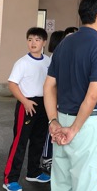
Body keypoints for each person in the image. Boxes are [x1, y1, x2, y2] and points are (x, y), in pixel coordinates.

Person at [43, 0, 97, 191]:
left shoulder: (65, 43)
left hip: (62, 119)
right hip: (86, 124)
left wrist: (53, 121)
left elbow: (49, 86)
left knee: (60, 188)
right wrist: (74, 129)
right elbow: (93, 95)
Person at [3, 27, 51, 191]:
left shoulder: (48, 61)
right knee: (20, 142)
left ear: (44, 42)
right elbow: (12, 84)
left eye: (37, 40)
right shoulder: (22, 62)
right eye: (30, 39)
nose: (33, 43)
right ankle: (10, 179)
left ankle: (34, 172)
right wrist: (25, 101)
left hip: (43, 104)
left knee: (39, 140)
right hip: (27, 104)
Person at [40, 30, 66, 174]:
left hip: (59, 100)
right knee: (50, 130)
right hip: (53, 100)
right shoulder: (56, 57)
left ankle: (51, 159)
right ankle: (47, 159)